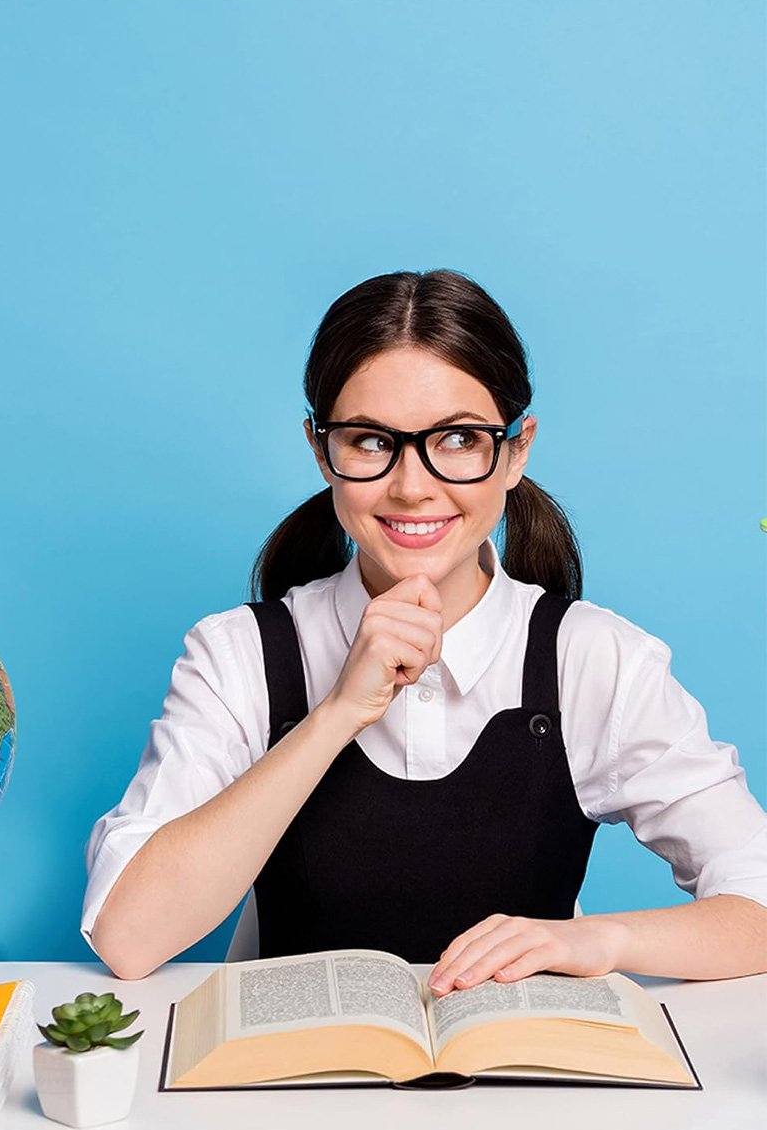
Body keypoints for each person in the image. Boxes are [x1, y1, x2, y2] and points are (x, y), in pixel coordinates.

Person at [81, 269, 767, 990]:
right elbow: (128, 938)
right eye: (372, 442)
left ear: (516, 449)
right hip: (291, 1089)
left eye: (460, 439)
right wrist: (340, 712)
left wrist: (601, 939)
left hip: (531, 1090)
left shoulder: (595, 658)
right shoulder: (237, 654)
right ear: (322, 451)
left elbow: (757, 899)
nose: (413, 486)